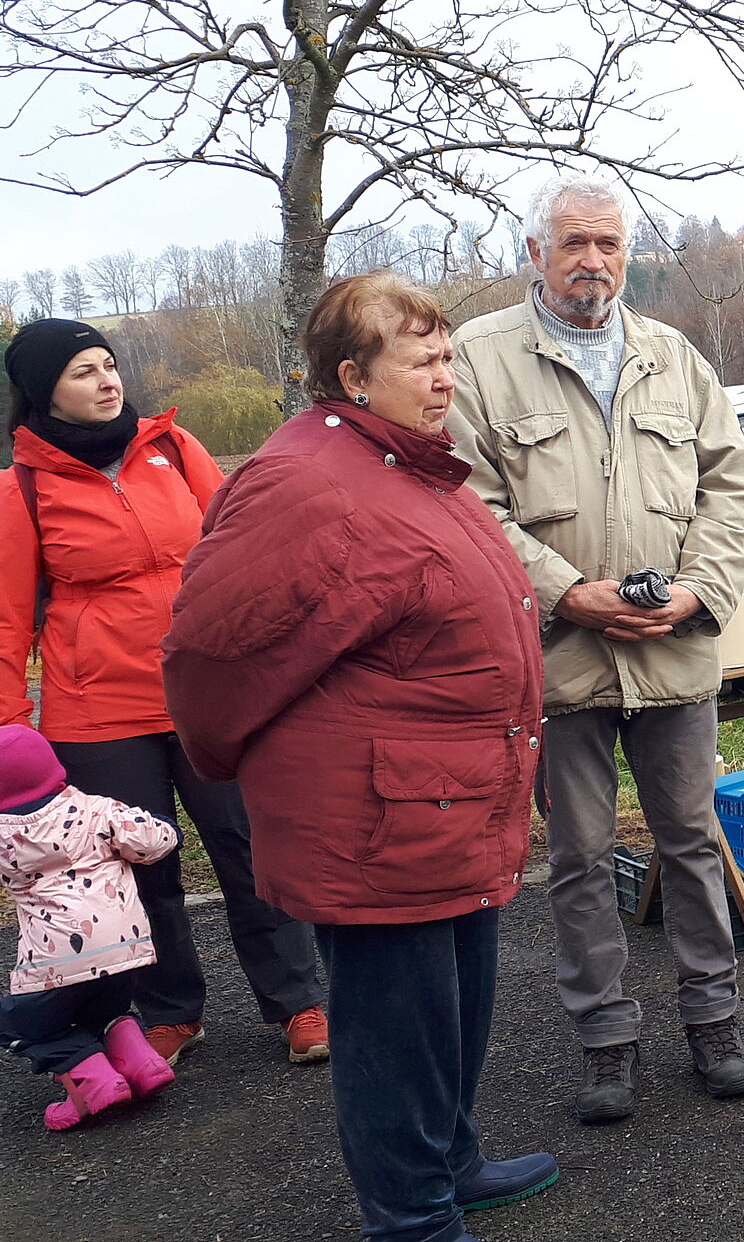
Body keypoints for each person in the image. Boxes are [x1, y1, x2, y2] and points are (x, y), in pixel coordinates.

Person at [162, 272, 557, 1242]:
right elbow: (211, 656)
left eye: (447, 355)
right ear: (351, 376)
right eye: (421, 360)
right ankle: (411, 1219)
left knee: (452, 1018)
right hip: (376, 823)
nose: (444, 377)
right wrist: (231, 766)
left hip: (448, 807)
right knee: (394, 1038)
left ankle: (451, 1165)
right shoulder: (304, 483)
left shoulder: (406, 463)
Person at [446, 173, 744, 1125]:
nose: (593, 262)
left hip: (672, 655)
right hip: (560, 660)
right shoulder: (480, 359)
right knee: (579, 859)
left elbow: (731, 489)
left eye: (609, 245)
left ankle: (715, 1020)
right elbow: (467, 506)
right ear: (533, 254)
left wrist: (701, 589)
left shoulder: (675, 357)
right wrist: (568, 593)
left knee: (695, 843)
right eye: (574, 244)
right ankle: (606, 1041)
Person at [1, 317, 328, 1069]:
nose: (107, 380)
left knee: (251, 848)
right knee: (138, 868)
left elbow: (245, 552)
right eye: (83, 371)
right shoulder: (21, 490)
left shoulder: (174, 450)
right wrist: (13, 731)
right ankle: (171, 1012)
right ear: (42, 391)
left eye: (108, 365)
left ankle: (298, 1003)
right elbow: (8, 619)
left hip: (205, 692)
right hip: (99, 710)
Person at [0, 723, 180, 1131]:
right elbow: (154, 842)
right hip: (125, 947)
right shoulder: (99, 809)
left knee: (22, 1022)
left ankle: (93, 1082)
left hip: (54, 962)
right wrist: (169, 827)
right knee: (104, 1008)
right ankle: (141, 1062)